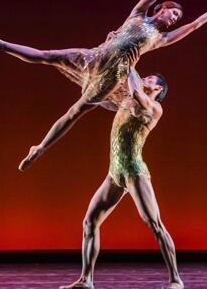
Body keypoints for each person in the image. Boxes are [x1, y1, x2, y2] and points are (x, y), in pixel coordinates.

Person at [0, 0, 207, 170]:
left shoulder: (160, 39)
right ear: (161, 9)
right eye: (173, 12)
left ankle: (39, 148)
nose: (175, 18)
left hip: (112, 75)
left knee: (75, 111)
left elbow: (194, 26)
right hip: (94, 55)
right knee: (48, 55)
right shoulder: (138, 14)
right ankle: (0, 44)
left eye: (177, 17)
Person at [61, 70, 183, 289]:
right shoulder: (127, 100)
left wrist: (130, 61)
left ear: (158, 89)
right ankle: (86, 280)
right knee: (89, 222)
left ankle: (176, 280)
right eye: (144, 77)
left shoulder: (153, 108)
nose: (144, 79)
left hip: (134, 172)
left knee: (154, 224)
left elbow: (136, 90)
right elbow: (108, 91)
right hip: (115, 172)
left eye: (149, 80)